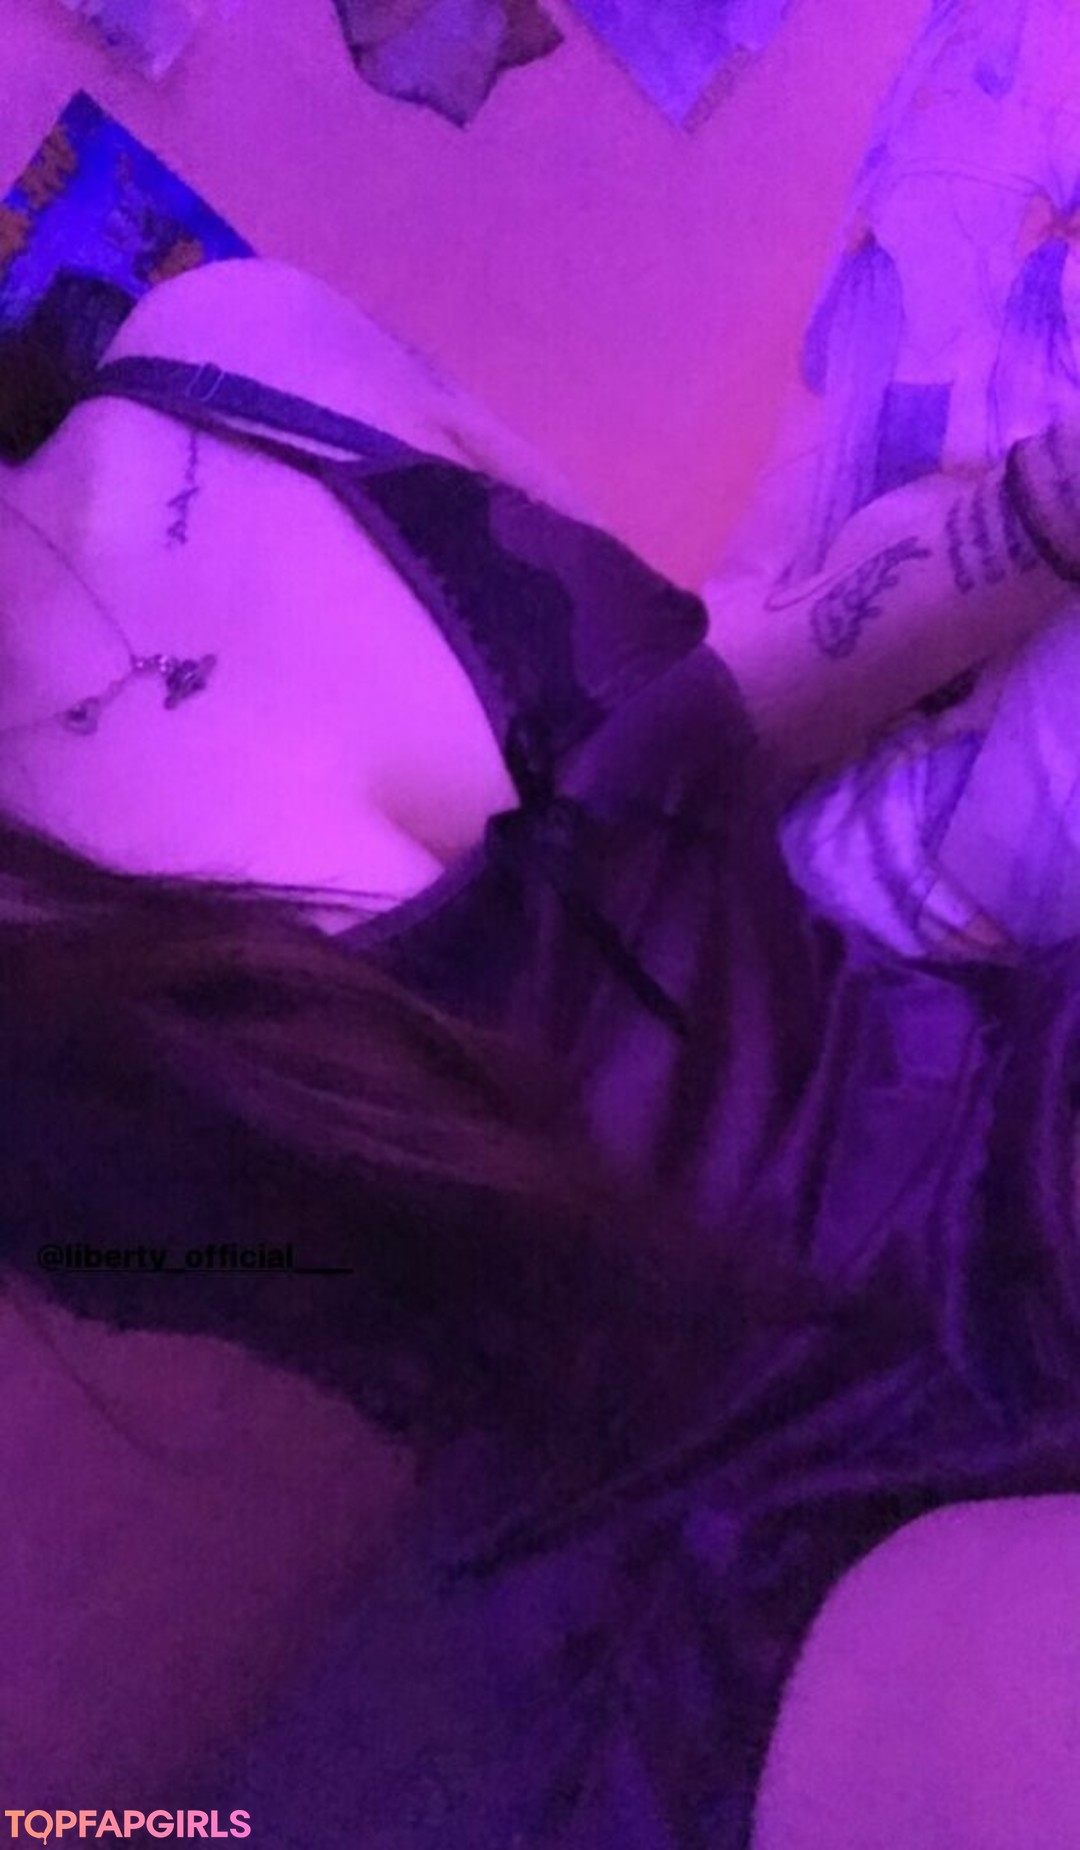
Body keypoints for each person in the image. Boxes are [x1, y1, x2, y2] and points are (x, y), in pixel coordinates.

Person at [3, 253, 1080, 1845]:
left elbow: (711, 707)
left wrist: (1041, 512)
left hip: (979, 1119)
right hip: (731, 1535)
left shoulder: (231, 348)